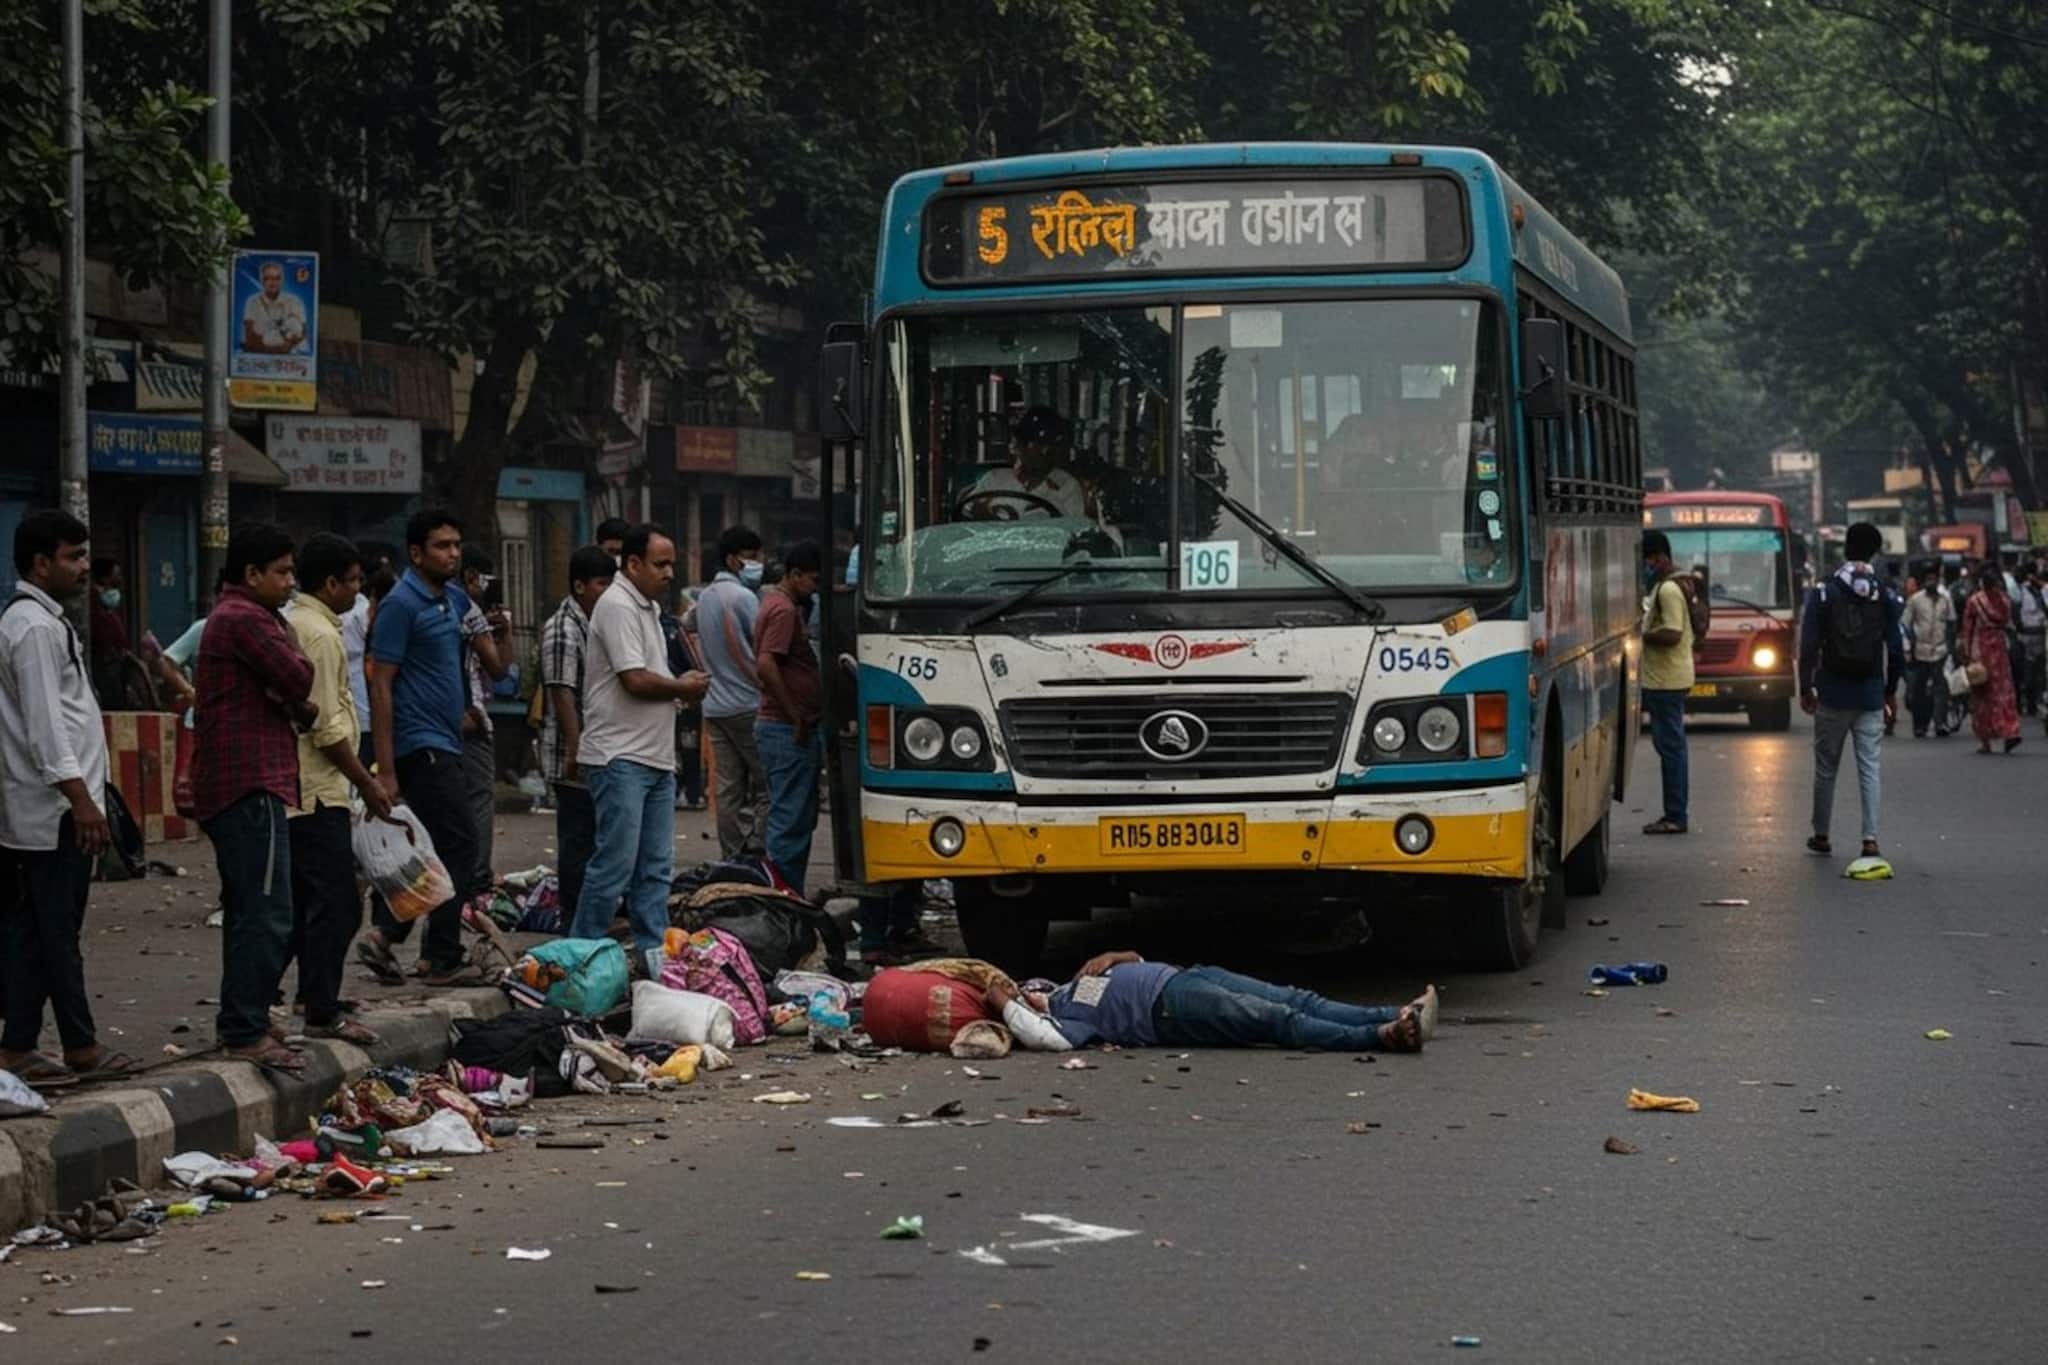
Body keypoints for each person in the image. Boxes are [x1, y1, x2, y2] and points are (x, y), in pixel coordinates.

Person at [0, 510, 137, 1089]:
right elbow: (46, 726)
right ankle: (79, 1043)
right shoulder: (33, 628)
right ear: (40, 563)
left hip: (52, 806)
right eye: (73, 557)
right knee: (55, 931)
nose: (85, 568)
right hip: (52, 809)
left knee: (37, 931)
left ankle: (18, 1045)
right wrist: (81, 801)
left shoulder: (44, 622)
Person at [191, 522, 315, 1076]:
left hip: (243, 781)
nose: (290, 583)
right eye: (282, 573)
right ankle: (245, 1027)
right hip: (249, 782)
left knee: (252, 909)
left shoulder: (238, 616)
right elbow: (299, 677)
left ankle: (246, 1019)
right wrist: (289, 642)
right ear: (251, 573)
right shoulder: (245, 618)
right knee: (265, 912)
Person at [572, 525, 709, 977]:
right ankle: (579, 962)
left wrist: (682, 688)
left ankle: (655, 965)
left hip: (655, 758)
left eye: (672, 564)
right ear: (632, 564)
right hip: (619, 757)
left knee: (654, 871)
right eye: (660, 564)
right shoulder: (616, 604)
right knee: (613, 868)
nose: (669, 573)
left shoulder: (648, 607)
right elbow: (634, 679)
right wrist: (682, 687)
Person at [357, 509, 484, 986]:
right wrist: (386, 769)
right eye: (441, 546)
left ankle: (387, 935)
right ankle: (440, 954)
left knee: (433, 845)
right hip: (419, 742)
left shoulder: (449, 599)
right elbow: (381, 685)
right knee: (461, 842)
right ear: (416, 553)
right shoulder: (401, 604)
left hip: (446, 740)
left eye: (456, 545)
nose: (453, 554)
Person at [283, 534, 389, 1046]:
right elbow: (325, 728)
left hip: (308, 787)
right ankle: (319, 1008)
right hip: (316, 789)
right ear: (330, 583)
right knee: (339, 902)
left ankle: (312, 995)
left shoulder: (302, 623)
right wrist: (366, 782)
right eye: (353, 583)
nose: (357, 593)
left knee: (310, 902)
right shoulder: (320, 635)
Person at [991, 951, 1434, 1053]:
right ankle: (1380, 1036)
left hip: (1184, 976)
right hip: (1168, 1010)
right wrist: (1003, 1004)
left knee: (1295, 998)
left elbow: (1136, 964)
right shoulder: (1067, 1020)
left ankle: (1394, 1012)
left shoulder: (1067, 989)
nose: (1025, 991)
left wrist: (1119, 956)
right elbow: (1042, 1038)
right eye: (1021, 995)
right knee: (1278, 1019)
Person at [1798, 523, 1904, 860]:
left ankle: (1821, 834)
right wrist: (1890, 691)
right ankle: (1870, 839)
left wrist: (1806, 686)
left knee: (1826, 768)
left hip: (1831, 693)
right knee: (1869, 768)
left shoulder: (1825, 593)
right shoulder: (1885, 595)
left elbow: (1809, 645)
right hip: (1870, 693)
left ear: (1846, 548)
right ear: (1875, 552)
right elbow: (1896, 648)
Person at [539, 545, 615, 919]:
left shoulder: (596, 622)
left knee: (594, 838)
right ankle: (573, 919)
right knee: (576, 841)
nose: (608, 591)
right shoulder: (563, 627)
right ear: (580, 585)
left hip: (595, 749)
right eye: (602, 583)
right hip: (572, 754)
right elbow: (561, 691)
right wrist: (575, 748)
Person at [691, 525, 770, 859]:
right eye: (751, 557)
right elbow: (762, 646)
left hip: (715, 706)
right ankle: (758, 851)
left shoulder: (705, 597)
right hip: (748, 704)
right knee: (768, 785)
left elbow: (687, 628)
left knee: (727, 790)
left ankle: (732, 856)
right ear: (732, 560)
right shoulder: (743, 598)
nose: (757, 564)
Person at [755, 540, 826, 890]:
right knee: (789, 819)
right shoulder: (783, 610)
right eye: (813, 580)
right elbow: (766, 664)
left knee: (795, 816)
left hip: (783, 728)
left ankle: (788, 892)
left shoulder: (779, 604)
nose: (815, 588)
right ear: (794, 574)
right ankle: (783, 896)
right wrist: (795, 715)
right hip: (785, 729)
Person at [458, 545, 511, 888]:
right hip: (468, 718)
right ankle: (476, 876)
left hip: (451, 718)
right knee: (478, 797)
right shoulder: (467, 611)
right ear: (471, 577)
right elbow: (499, 669)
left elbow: (499, 669)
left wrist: (501, 633)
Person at [1639, 530, 1695, 835]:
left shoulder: (1668, 590)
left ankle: (1675, 815)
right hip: (1666, 678)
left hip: (1667, 681)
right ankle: (1674, 812)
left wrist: (1642, 635)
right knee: (1671, 748)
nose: (1647, 565)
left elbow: (1673, 633)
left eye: (1649, 560)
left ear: (1660, 557)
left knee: (1671, 750)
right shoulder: (1667, 585)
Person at [967, 407, 1087, 519]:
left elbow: (1075, 528)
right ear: (1019, 446)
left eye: (1049, 446)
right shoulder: (993, 480)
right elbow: (964, 516)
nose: (1043, 452)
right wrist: (981, 512)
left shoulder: (1067, 486)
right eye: (1036, 444)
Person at [1959, 562, 2023, 754]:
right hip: (2000, 648)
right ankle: (2010, 731)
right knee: (2004, 691)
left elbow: (1968, 629)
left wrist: (1966, 652)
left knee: (1981, 694)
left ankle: (1985, 740)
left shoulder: (1975, 601)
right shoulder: (2004, 600)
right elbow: (2008, 620)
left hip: (1980, 648)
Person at [1901, 566, 1956, 739]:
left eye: (1934, 579)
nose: (1931, 582)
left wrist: (1951, 647)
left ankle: (1940, 723)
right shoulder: (1915, 600)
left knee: (1941, 689)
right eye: (1928, 579)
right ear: (1924, 582)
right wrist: (1908, 647)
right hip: (1920, 651)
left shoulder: (1945, 600)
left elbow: (1952, 623)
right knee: (1918, 691)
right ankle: (1920, 725)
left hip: (1940, 650)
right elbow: (1905, 624)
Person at [240, 259, 308, 355]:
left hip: (292, 355)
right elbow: (249, 336)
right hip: (262, 354)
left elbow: (303, 332)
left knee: (293, 323)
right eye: (267, 278)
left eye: (277, 278)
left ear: (282, 280)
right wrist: (275, 350)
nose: (273, 282)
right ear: (261, 280)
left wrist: (288, 345)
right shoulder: (253, 302)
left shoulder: (295, 301)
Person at [2015, 564, 2046, 718]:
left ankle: (2035, 702)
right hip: (2030, 633)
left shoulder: (2039, 590)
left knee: (2036, 670)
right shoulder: (2024, 591)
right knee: (2031, 670)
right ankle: (2032, 703)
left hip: (2037, 633)